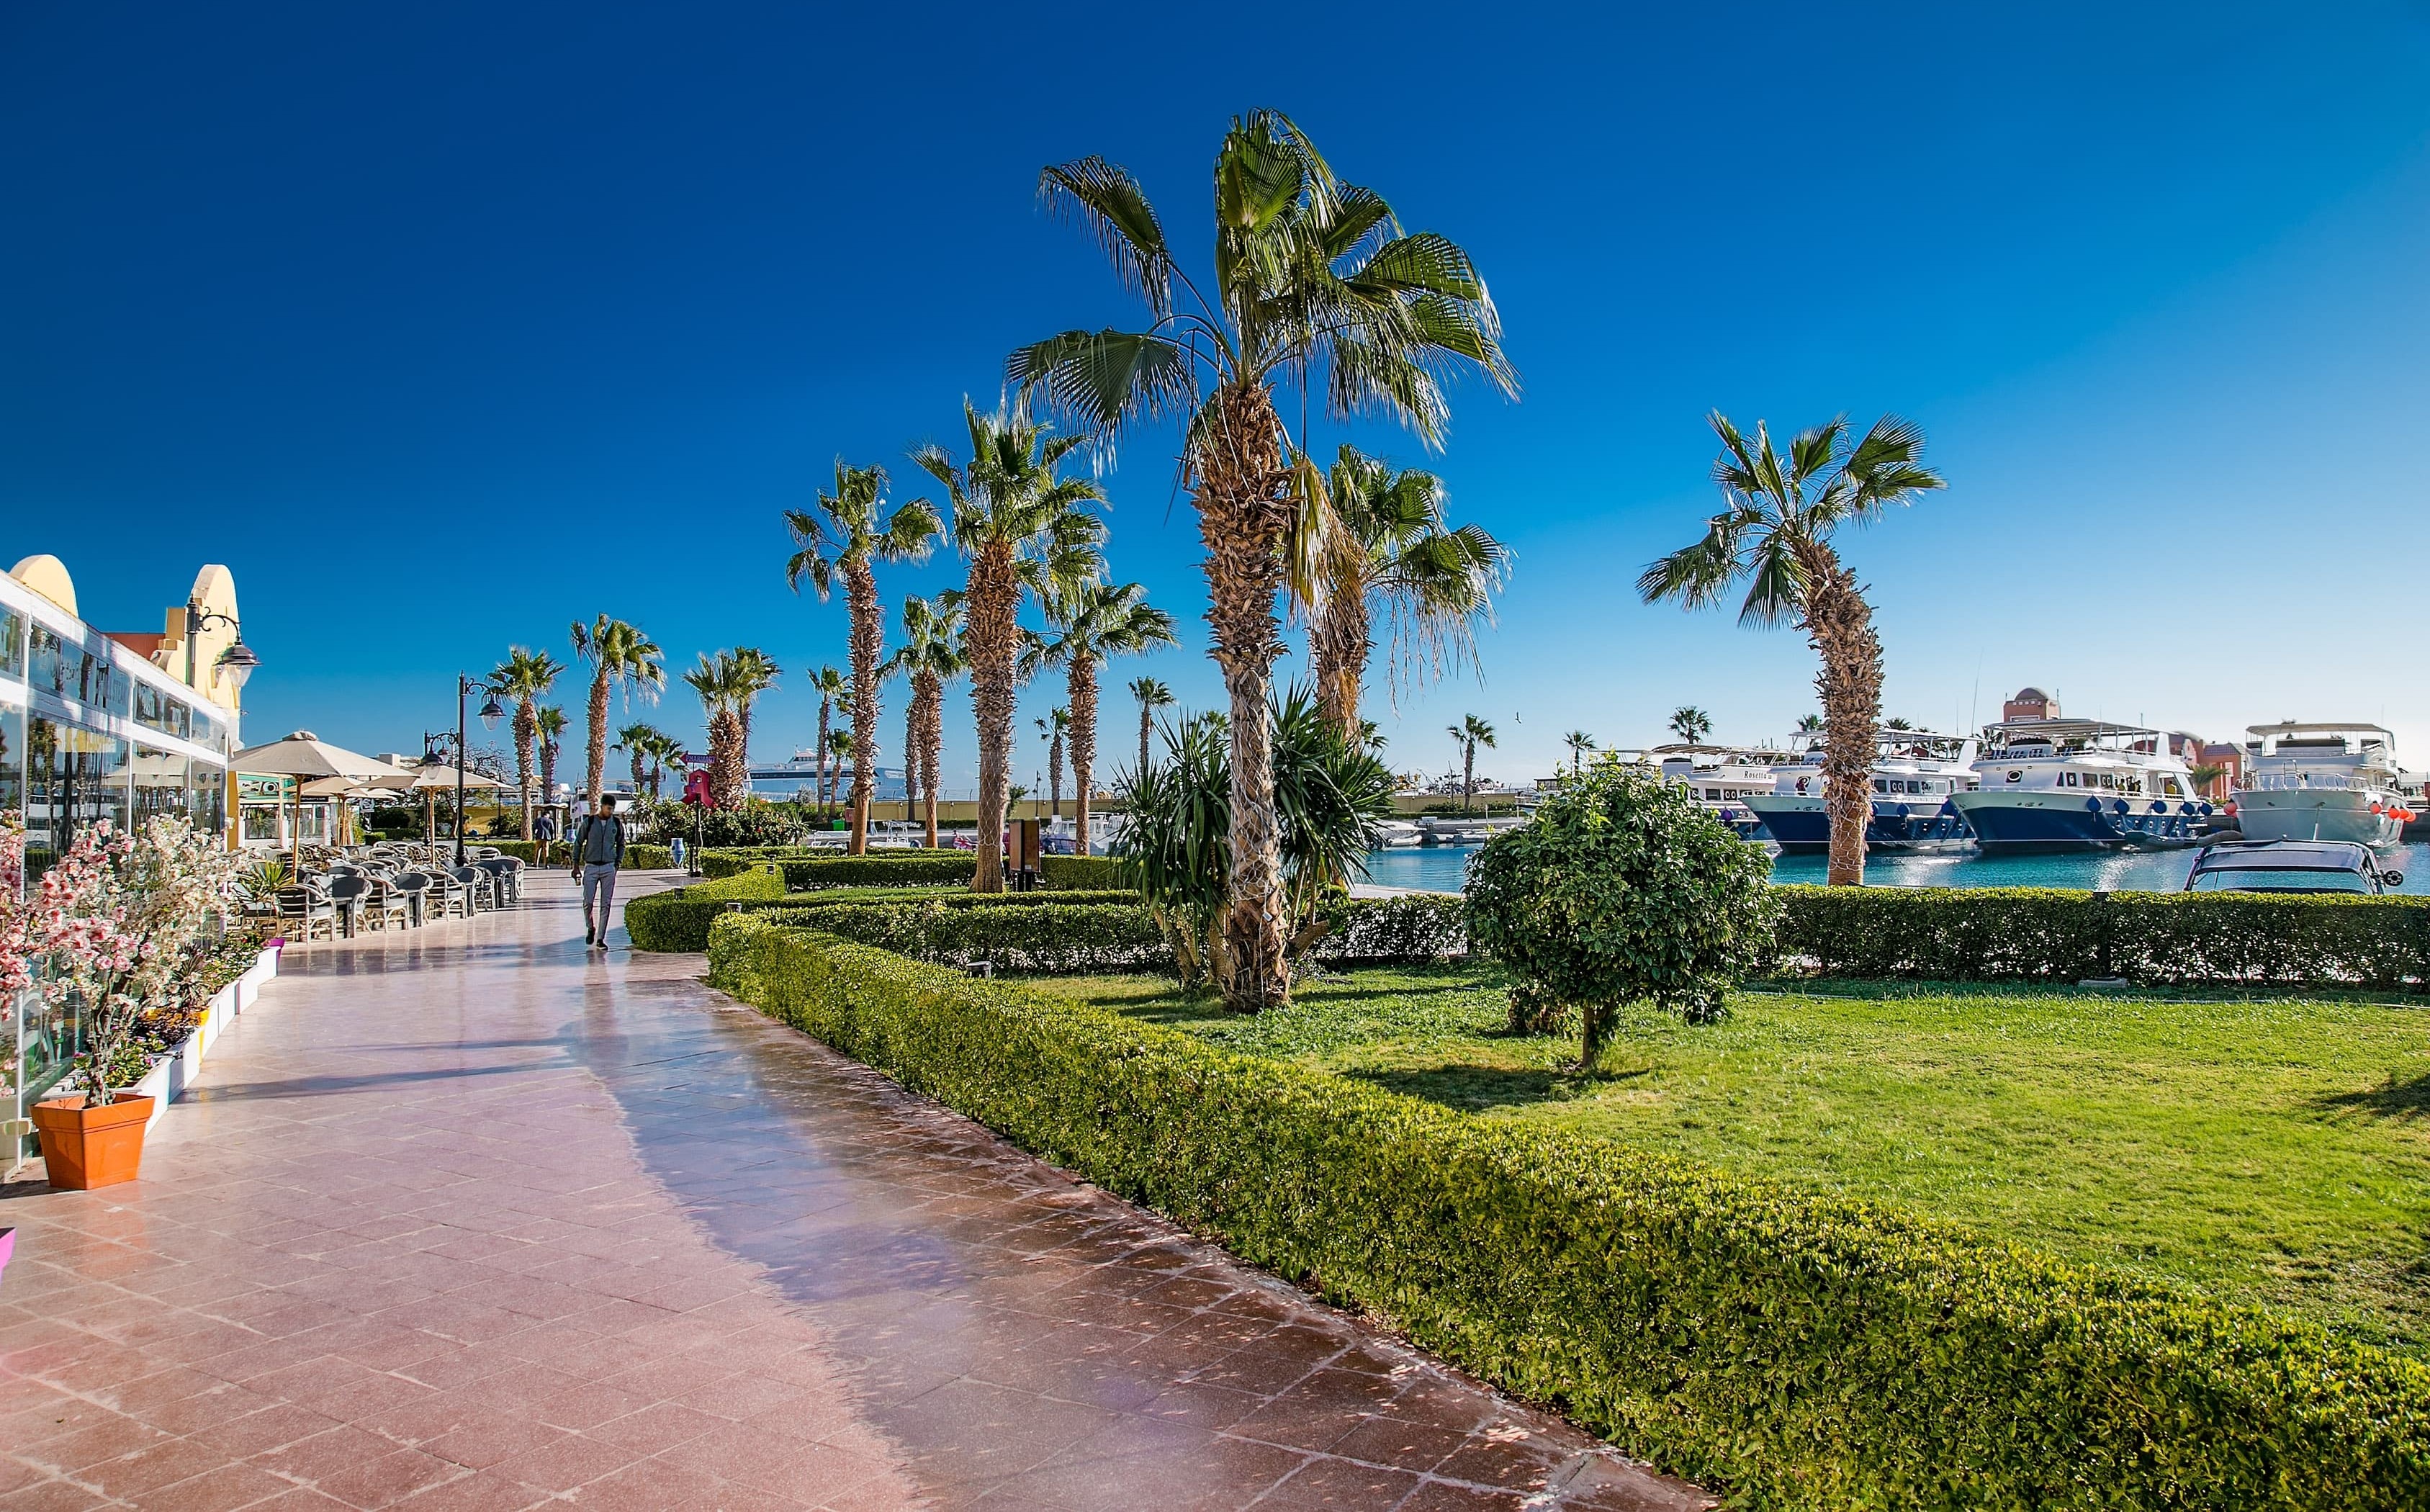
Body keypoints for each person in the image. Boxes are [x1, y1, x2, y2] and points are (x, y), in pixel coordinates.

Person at [571, 795, 625, 947]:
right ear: (602, 807)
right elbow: (578, 843)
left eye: (612, 809)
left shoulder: (616, 823)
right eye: (608, 808)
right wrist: (576, 865)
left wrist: (617, 863)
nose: (610, 811)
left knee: (606, 904)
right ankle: (591, 928)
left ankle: (601, 938)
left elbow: (621, 844)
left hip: (609, 867)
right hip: (591, 867)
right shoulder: (589, 822)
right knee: (588, 902)